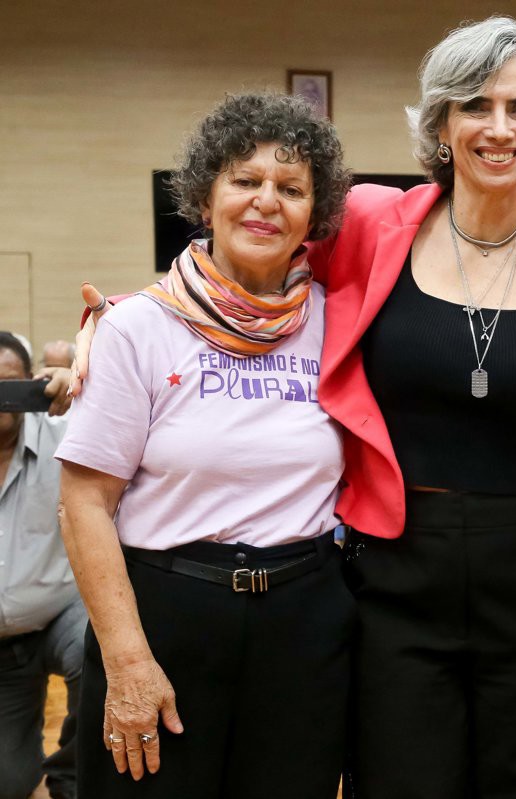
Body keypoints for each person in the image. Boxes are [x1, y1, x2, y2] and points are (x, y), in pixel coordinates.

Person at [300, 18, 516, 798]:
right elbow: (249, 256)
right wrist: (129, 317)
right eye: (475, 106)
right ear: (441, 124)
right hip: (396, 570)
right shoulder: (369, 221)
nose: (499, 127)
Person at [56, 92, 353, 799]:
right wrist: (128, 660)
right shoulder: (136, 327)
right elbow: (84, 503)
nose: (265, 202)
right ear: (205, 193)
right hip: (166, 615)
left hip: (305, 622)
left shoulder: (341, 324)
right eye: (244, 181)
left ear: (314, 213)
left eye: (290, 188)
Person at [0, 332, 83, 799]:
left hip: (60, 618)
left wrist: (81, 386)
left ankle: (71, 776)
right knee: (9, 785)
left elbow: (129, 421)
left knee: (101, 645)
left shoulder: (67, 437)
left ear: (31, 383)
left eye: (8, 386)